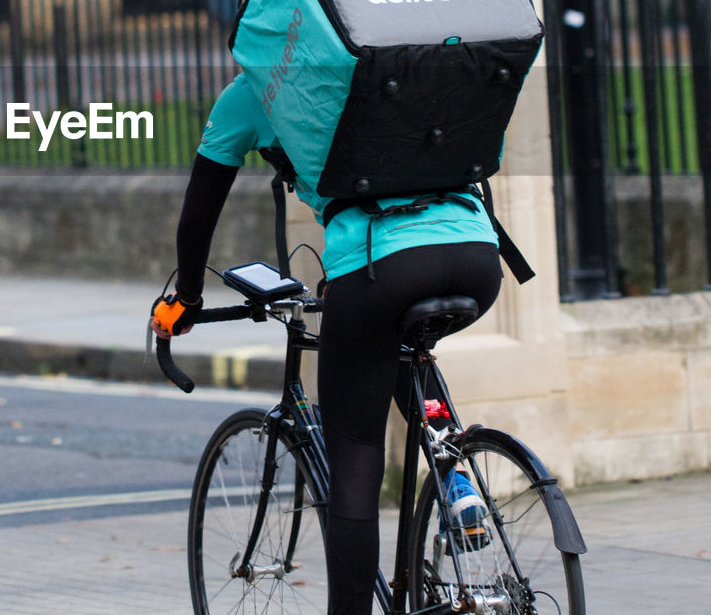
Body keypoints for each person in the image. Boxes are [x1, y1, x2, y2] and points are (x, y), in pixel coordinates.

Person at [150, 70, 503, 615]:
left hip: (379, 261)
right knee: (397, 342)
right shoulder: (390, 62)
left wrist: (187, 301)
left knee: (356, 456)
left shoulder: (255, 89)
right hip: (478, 253)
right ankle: (456, 476)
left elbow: (200, 211)